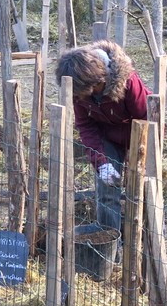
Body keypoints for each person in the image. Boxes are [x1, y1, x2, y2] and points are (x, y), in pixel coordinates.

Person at [55, 41, 149, 232]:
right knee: (107, 191)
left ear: (98, 81)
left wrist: (138, 154)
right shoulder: (79, 90)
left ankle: (148, 237)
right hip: (108, 137)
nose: (81, 97)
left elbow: (146, 117)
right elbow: (85, 126)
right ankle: (110, 242)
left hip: (140, 136)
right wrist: (101, 163)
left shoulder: (128, 83)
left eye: (84, 92)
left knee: (142, 191)